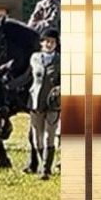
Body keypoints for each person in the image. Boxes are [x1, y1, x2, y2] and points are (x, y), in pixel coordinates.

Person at [26, 28, 61, 180]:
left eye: (52, 42)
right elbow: (29, 77)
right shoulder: (34, 58)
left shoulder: (61, 60)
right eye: (46, 41)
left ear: (56, 43)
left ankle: (46, 169)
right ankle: (42, 162)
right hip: (35, 102)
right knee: (36, 138)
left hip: (53, 103)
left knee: (49, 136)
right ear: (41, 43)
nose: (49, 44)